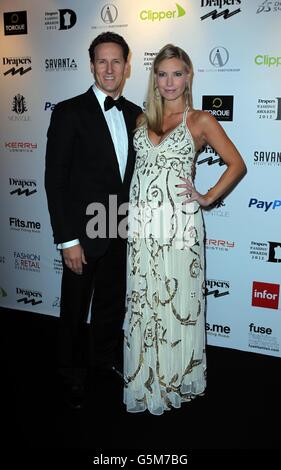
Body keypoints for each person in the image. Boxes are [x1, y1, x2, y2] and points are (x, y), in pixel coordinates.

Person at [123, 44, 246, 415]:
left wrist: (207, 197)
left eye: (177, 73)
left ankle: (174, 381)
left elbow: (236, 165)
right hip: (143, 230)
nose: (170, 81)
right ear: (154, 79)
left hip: (179, 230)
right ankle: (147, 381)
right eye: (163, 74)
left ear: (189, 76)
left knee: (176, 303)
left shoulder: (200, 120)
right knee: (145, 302)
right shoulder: (143, 121)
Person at [45, 32, 142, 409]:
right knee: (74, 306)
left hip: (120, 228)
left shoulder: (136, 114)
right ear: (91, 66)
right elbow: (56, 180)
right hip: (81, 234)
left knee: (111, 303)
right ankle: (70, 372)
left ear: (127, 66)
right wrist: (67, 239)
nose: (109, 68)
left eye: (116, 61)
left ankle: (103, 359)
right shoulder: (69, 112)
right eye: (102, 61)